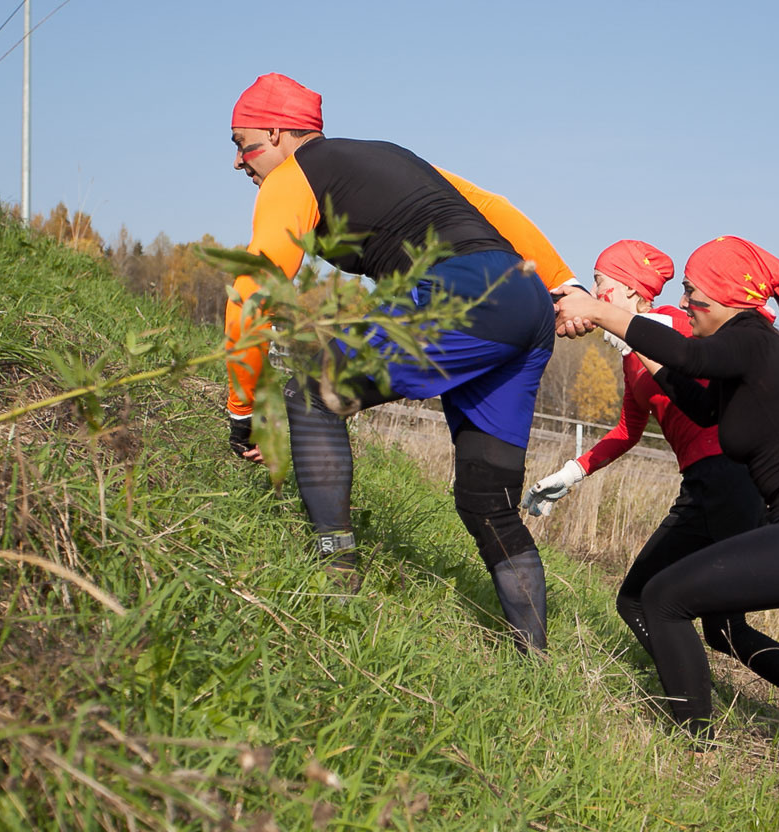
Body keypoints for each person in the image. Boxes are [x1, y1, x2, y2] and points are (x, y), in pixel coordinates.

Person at [222, 73, 579, 652]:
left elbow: (253, 292)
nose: (240, 162)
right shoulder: (388, 156)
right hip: (524, 300)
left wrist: (242, 408)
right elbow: (494, 207)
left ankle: (335, 585)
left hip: (463, 294)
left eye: (243, 144)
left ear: (279, 132)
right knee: (486, 499)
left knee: (313, 392)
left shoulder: (293, 176)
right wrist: (563, 284)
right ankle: (536, 662)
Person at [552, 237, 779, 793]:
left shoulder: (752, 341)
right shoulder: (751, 361)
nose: (685, 304)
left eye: (691, 295)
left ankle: (694, 758)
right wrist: (636, 351)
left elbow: (690, 356)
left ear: (723, 296)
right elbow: (693, 397)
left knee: (663, 599)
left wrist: (600, 311)